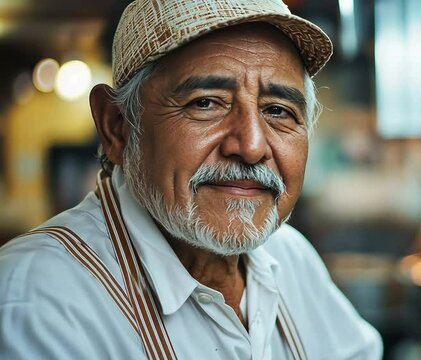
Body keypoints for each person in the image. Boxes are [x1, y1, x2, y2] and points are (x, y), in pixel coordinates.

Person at [0, 1, 383, 359]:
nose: (250, 146)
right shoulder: (34, 299)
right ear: (116, 127)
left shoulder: (289, 257)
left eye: (278, 110)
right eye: (206, 103)